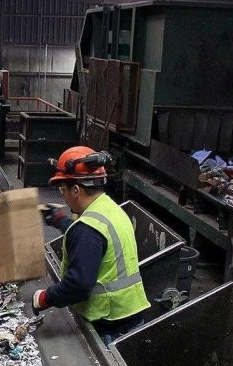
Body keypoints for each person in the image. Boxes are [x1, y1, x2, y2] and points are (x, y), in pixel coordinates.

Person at [32, 146, 151, 345]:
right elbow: (96, 242)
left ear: (76, 190)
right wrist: (62, 222)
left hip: (108, 325)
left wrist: (44, 298)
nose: (64, 196)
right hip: (131, 316)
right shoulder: (111, 209)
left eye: (63, 190)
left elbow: (78, 285)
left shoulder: (87, 230)